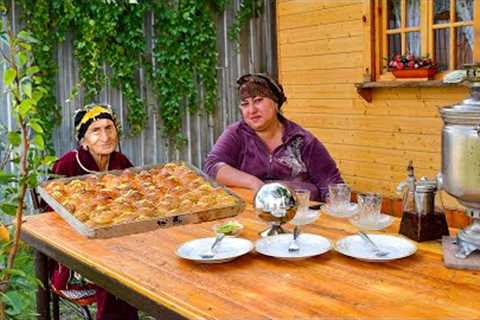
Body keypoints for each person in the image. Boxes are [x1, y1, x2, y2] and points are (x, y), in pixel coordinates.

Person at [49, 103, 138, 320]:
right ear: (83, 140)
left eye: (109, 128)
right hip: (75, 255)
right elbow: (50, 216)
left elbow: (136, 200)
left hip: (118, 245)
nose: (105, 136)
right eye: (95, 131)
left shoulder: (121, 162)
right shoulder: (68, 165)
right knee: (112, 271)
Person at [204, 73, 343, 201]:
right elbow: (213, 167)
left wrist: (334, 212)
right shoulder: (237, 134)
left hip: (300, 215)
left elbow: (331, 183)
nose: (252, 110)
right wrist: (255, 183)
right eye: (245, 104)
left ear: (276, 103)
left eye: (258, 100)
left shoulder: (302, 140)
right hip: (252, 214)